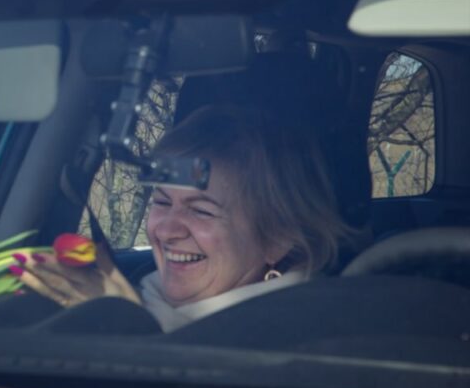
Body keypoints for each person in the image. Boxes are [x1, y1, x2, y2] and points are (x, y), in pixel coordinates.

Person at [20, 104, 353, 331]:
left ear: (278, 238)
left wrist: (126, 328)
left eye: (201, 210)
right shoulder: (143, 294)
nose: (166, 230)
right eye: (162, 202)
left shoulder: (297, 337)